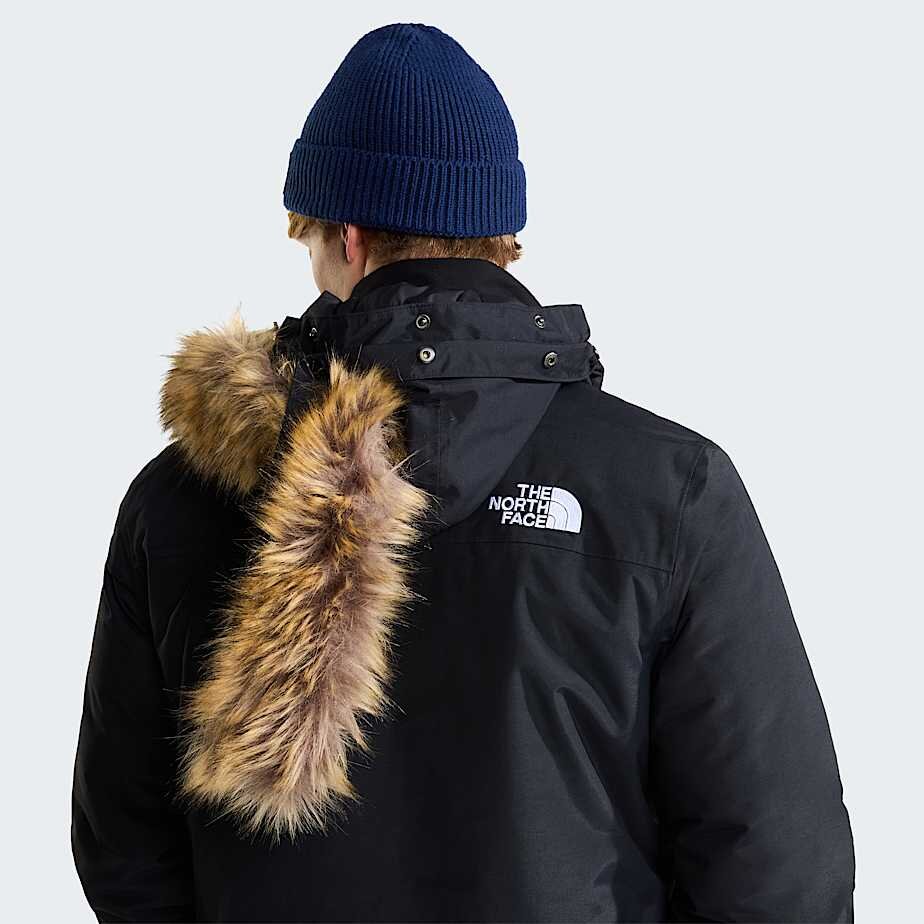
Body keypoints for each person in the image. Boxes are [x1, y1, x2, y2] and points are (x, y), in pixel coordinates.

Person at [71, 21, 855, 923]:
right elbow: (780, 873)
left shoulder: (182, 496)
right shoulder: (669, 490)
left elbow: (125, 854)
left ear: (347, 237)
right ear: (500, 237)